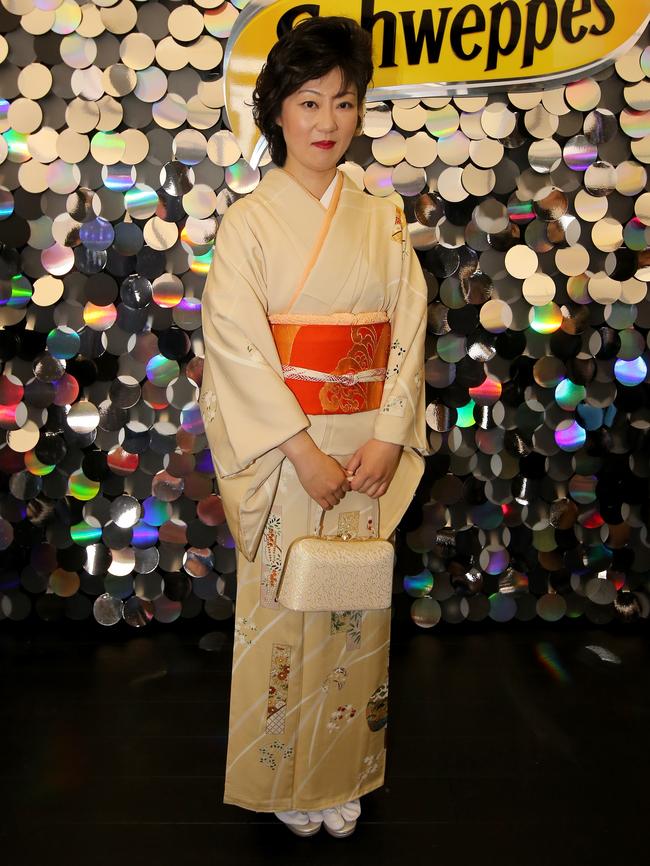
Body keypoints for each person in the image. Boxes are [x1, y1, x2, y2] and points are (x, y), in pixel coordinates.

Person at [199, 15, 428, 838]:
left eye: (343, 102)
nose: (327, 122)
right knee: (287, 608)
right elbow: (234, 345)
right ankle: (284, 779)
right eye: (308, 102)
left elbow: (408, 326)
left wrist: (391, 435)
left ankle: (341, 771)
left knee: (353, 607)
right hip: (289, 451)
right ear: (277, 112)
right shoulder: (249, 224)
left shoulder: (382, 217)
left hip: (365, 443)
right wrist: (298, 449)